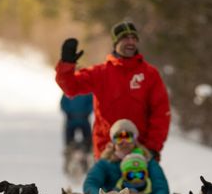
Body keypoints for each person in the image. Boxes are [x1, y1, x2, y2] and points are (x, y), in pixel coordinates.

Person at [55, 21, 171, 161]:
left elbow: (161, 113)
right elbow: (70, 88)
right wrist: (66, 64)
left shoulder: (150, 74)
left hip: (141, 151)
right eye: (125, 38)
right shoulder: (100, 73)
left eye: (134, 38)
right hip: (107, 152)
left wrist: (152, 147)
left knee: (152, 183)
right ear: (116, 42)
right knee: (98, 183)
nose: (131, 42)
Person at [83, 119, 169, 194]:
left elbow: (160, 184)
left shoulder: (147, 160)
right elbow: (91, 183)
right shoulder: (106, 162)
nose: (124, 142)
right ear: (113, 141)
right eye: (119, 138)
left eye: (128, 137)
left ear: (135, 139)